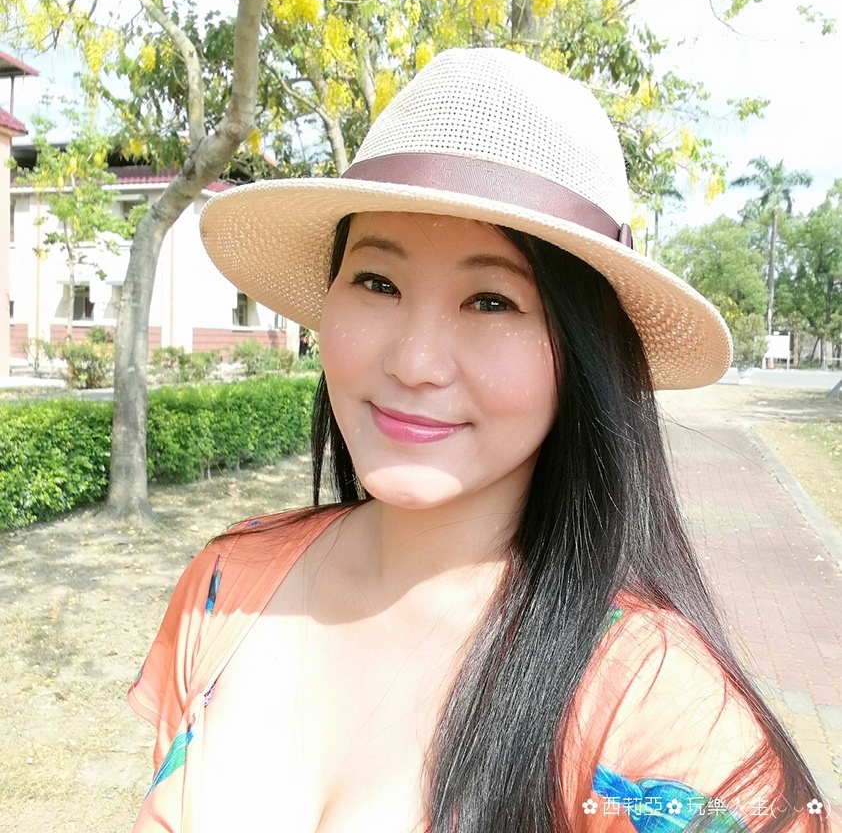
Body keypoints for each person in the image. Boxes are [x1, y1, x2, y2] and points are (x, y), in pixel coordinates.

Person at [128, 49, 832, 833]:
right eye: (377, 282)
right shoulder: (225, 585)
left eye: (491, 300)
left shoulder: (661, 721)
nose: (415, 362)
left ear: (584, 350)